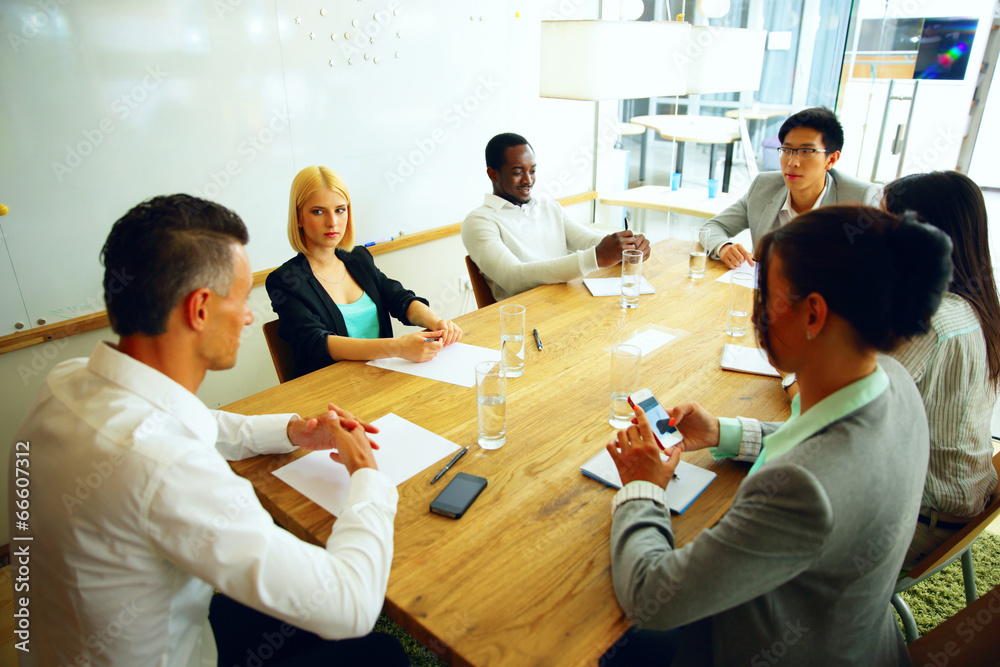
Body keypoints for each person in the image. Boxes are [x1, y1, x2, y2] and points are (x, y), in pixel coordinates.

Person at [11, 194, 407, 666]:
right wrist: (366, 475)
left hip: (60, 645)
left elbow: (188, 422)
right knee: (378, 651)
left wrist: (295, 431)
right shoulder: (167, 466)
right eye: (241, 298)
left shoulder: (67, 381)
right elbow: (354, 605)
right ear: (199, 309)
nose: (247, 316)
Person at [603, 206, 953, 665]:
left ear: (812, 314)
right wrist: (722, 431)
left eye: (763, 294)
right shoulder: (894, 380)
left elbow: (654, 597)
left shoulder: (801, 488)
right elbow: (818, 437)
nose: (756, 314)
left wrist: (643, 485)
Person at [882, 171, 1000, 567]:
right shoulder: (976, 303)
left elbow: (832, 426)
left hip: (918, 520)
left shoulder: (930, 322)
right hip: (967, 496)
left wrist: (794, 374)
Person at [267, 166, 462, 379]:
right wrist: (398, 347)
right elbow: (318, 342)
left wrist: (436, 322)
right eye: (318, 211)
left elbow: (400, 299)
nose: (332, 222)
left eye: (340, 210)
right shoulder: (284, 281)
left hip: (384, 376)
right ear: (298, 217)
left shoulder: (357, 258)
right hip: (332, 388)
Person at [461, 132, 651, 301]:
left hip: (564, 302)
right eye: (518, 173)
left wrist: (624, 247)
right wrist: (596, 256)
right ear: (492, 174)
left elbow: (589, 241)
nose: (528, 180)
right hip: (528, 317)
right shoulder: (479, 221)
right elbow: (513, 278)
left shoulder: (548, 207)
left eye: (532, 171)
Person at [704, 107, 881, 269]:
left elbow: (875, 268)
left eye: (806, 152)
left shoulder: (860, 199)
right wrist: (724, 247)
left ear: (831, 159)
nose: (792, 162)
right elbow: (713, 227)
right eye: (787, 150)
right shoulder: (764, 186)